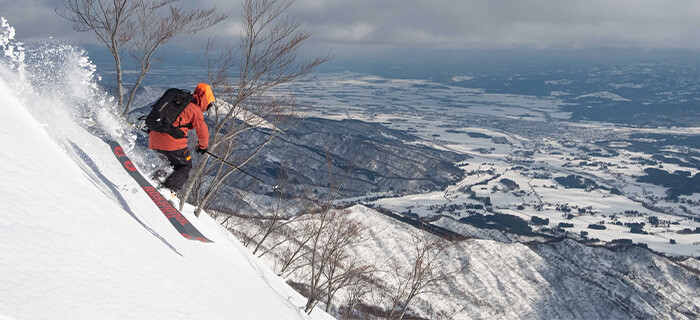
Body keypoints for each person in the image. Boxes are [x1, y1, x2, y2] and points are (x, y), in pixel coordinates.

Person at [149, 83, 214, 202]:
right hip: (171, 143)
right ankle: (168, 190)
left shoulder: (178, 102)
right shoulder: (195, 110)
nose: (209, 107)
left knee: (172, 164)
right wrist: (203, 147)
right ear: (205, 100)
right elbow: (203, 133)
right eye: (209, 103)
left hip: (154, 138)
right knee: (185, 166)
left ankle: (153, 181)